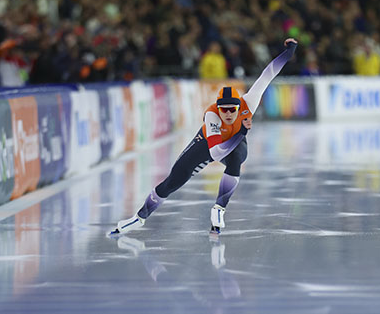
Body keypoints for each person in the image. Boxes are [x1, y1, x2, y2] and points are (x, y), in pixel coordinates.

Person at [111, 38, 298, 235]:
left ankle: (219, 209)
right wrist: (242, 131)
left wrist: (288, 53)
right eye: (223, 109)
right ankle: (139, 218)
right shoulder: (212, 115)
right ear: (218, 108)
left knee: (236, 158)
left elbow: (267, 75)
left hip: (235, 143)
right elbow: (217, 153)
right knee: (173, 180)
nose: (227, 113)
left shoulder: (249, 102)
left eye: (231, 109)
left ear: (238, 106)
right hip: (209, 143)